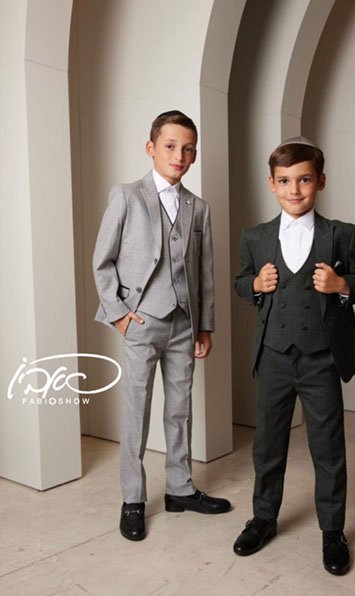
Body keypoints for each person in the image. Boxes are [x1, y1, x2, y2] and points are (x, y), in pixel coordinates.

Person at [232, 137, 355, 575]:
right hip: (273, 356)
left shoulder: (342, 234)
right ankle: (263, 518)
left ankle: (333, 531)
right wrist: (255, 285)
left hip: (321, 359)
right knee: (267, 444)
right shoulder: (255, 237)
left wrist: (342, 285)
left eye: (304, 180)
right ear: (271, 184)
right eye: (284, 181)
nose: (294, 190)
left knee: (328, 446)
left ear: (321, 182)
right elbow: (240, 282)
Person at [93, 110, 231, 542]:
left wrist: (204, 326)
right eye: (170, 146)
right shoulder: (126, 196)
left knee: (180, 408)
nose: (179, 155)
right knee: (136, 409)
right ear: (151, 148)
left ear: (195, 155)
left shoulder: (199, 208)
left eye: (188, 149)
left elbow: (204, 273)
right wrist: (118, 313)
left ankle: (179, 488)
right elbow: (103, 260)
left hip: (184, 325)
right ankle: (133, 498)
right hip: (142, 321)